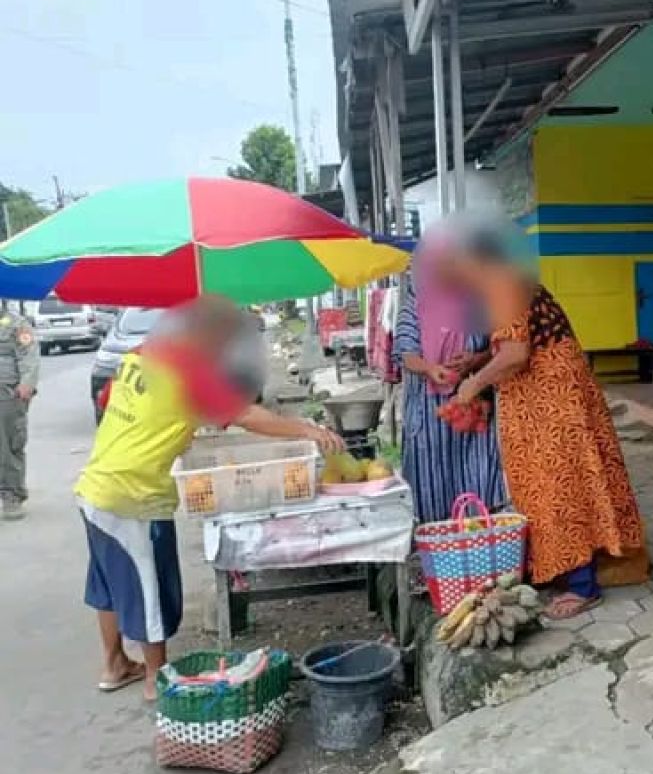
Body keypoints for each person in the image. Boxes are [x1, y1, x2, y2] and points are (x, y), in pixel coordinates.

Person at [75, 295, 344, 700]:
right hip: (135, 497)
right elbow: (247, 415)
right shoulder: (192, 374)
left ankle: (114, 664)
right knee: (151, 588)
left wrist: (171, 429)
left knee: (108, 583)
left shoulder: (138, 354)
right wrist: (305, 430)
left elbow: (119, 404)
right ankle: (155, 679)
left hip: (94, 487)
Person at [443, 218, 649, 620]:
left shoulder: (503, 284)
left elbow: (518, 354)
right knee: (559, 481)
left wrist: (472, 384)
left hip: (550, 396)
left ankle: (582, 585)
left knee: (559, 484)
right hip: (548, 392)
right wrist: (480, 358)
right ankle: (565, 566)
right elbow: (518, 340)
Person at [394, 229, 506, 522]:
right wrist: (430, 368)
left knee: (478, 479)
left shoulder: (477, 303)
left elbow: (499, 346)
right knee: (433, 485)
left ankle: (480, 546)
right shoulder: (413, 306)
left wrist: (474, 359)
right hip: (430, 415)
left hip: (473, 410)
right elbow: (406, 354)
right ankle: (442, 549)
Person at [0, 303, 38, 520]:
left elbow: (29, 355)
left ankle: (12, 495)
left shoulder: (16, 324)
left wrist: (27, 384)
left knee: (8, 445)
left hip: (7, 394)